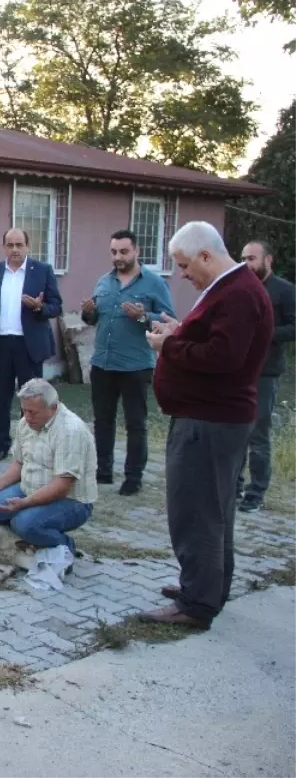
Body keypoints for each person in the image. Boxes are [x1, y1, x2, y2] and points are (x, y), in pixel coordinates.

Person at [141, 222, 273, 630]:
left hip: (210, 420)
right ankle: (206, 588)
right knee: (213, 511)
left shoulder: (237, 293)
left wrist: (170, 346)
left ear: (205, 255)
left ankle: (196, 604)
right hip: (213, 417)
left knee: (196, 512)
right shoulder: (233, 289)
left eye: (183, 265)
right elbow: (220, 343)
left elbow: (222, 358)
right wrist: (182, 331)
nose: (181, 274)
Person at [80, 230, 175, 496]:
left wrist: (144, 316)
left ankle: (133, 478)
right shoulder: (103, 282)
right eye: (114, 252)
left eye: (123, 251)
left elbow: (170, 320)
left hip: (135, 365)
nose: (118, 257)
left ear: (136, 251)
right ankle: (103, 471)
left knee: (135, 423)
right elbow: (94, 319)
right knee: (103, 420)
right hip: (103, 363)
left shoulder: (154, 283)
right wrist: (89, 313)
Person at [0, 378, 96, 561]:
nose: (27, 417)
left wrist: (25, 503)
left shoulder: (70, 431)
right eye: (24, 410)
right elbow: (19, 463)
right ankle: (25, 538)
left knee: (24, 523)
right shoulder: (26, 423)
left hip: (72, 501)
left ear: (52, 407)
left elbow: (62, 485)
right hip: (29, 489)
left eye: (33, 412)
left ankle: (64, 545)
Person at [0, 228, 63, 463]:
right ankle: (1, 444)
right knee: (0, 397)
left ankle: (33, 448)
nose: (14, 250)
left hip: (29, 345)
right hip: (0, 343)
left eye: (19, 245)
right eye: (10, 245)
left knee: (33, 399)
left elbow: (56, 306)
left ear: (27, 246)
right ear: (4, 247)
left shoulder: (42, 271)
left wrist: (39, 308)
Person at [236, 241, 296, 513]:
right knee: (234, 429)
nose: (246, 264)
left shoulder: (285, 290)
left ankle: (255, 493)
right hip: (237, 369)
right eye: (243, 258)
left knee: (257, 434)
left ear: (268, 260)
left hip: (266, 372)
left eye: (252, 258)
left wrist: (267, 334)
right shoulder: (239, 287)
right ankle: (232, 485)